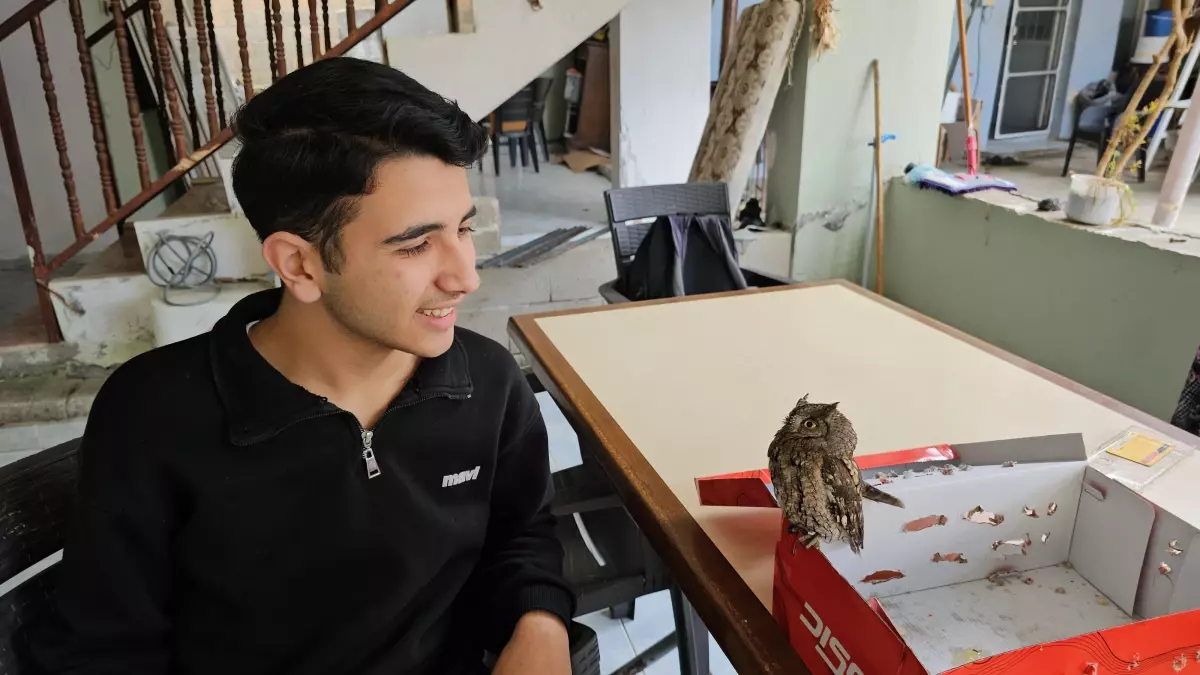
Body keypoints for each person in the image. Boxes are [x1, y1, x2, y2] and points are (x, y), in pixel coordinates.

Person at [32, 57, 574, 675]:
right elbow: (103, 649)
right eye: (416, 245)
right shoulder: (154, 416)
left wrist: (540, 626)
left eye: (464, 230)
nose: (465, 277)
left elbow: (522, 535)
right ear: (298, 264)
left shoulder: (488, 383)